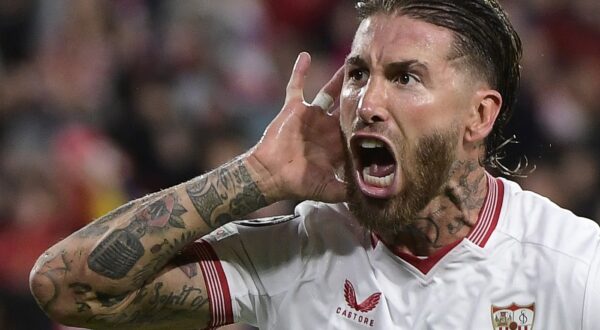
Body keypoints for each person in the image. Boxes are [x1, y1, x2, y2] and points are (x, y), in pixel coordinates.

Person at [30, 0, 600, 329]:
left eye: (404, 77)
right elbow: (67, 286)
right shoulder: (293, 255)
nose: (367, 104)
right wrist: (254, 177)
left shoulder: (573, 269)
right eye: (357, 74)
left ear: (478, 116)